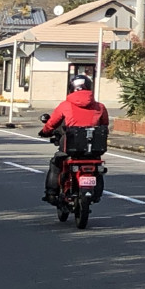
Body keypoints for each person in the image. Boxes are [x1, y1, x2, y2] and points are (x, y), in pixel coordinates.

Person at [40, 75, 109, 204]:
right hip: (93, 149)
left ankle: (51, 193)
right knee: (97, 167)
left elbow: (52, 123)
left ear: (71, 88)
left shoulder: (65, 105)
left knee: (56, 164)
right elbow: (104, 124)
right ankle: (96, 193)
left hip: (71, 148)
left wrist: (44, 132)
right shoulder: (100, 107)